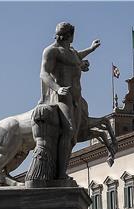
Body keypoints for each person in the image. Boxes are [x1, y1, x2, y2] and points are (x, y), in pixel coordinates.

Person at [39, 22, 100, 179]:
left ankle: (61, 171)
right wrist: (57, 88)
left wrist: (91, 49)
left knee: (74, 135)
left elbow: (77, 56)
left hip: (76, 98)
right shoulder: (51, 51)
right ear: (70, 36)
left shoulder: (70, 51)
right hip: (62, 97)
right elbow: (44, 74)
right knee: (70, 130)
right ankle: (60, 175)